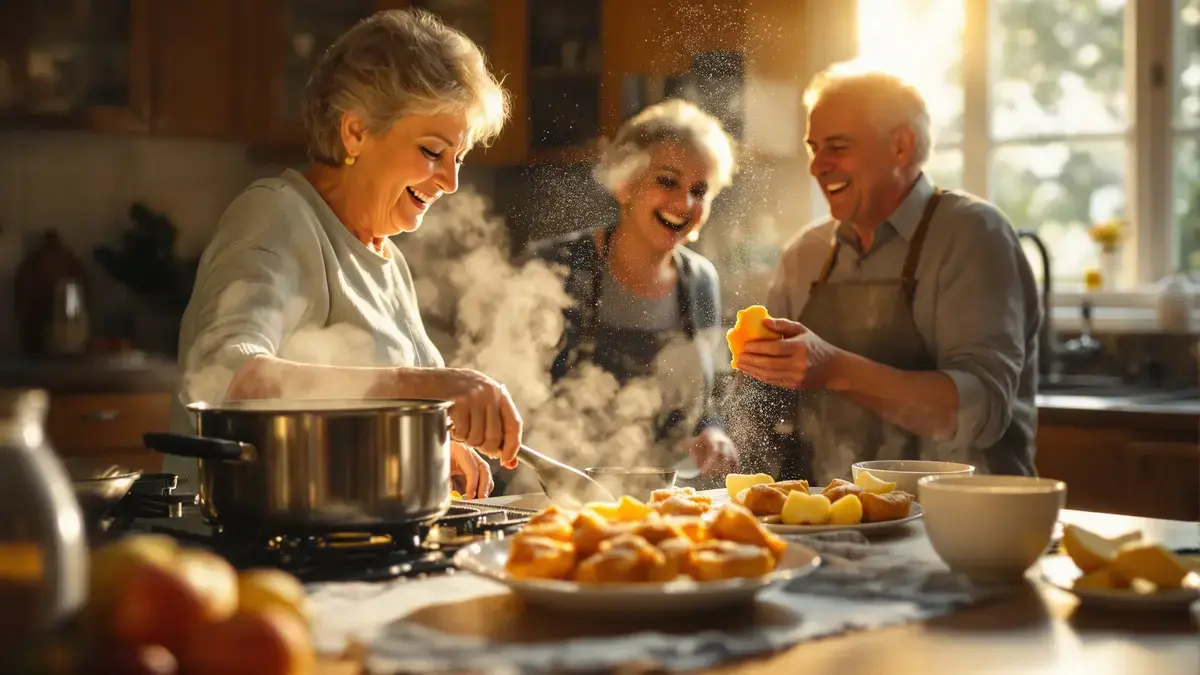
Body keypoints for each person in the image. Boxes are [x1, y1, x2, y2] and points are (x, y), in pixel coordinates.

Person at [170, 9, 519, 498]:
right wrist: (424, 391)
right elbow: (222, 376)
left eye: (457, 158)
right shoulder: (277, 215)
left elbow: (367, 415)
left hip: (345, 547)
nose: (451, 181)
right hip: (248, 548)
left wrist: (428, 440)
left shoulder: (388, 262)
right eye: (432, 151)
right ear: (356, 133)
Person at [733, 62, 1041, 485]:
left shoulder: (973, 235)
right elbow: (766, 406)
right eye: (813, 147)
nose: (817, 166)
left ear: (901, 145)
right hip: (833, 518)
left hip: (961, 524)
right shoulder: (805, 254)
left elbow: (978, 411)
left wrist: (836, 368)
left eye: (837, 147)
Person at [522, 99, 740, 479]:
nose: (684, 203)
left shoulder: (701, 281)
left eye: (699, 190)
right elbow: (514, 398)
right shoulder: (555, 268)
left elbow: (707, 405)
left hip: (667, 494)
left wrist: (714, 432)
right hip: (560, 493)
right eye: (667, 180)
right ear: (624, 183)